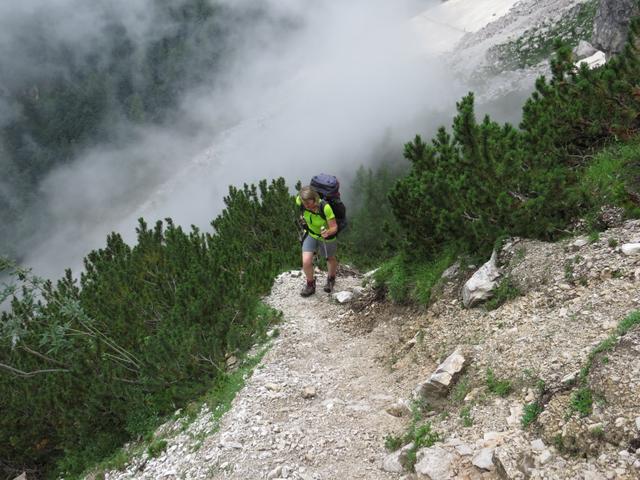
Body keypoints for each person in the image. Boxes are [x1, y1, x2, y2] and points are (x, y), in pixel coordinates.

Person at [296, 185, 339, 297]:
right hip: (311, 234)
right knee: (306, 261)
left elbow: (334, 227)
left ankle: (331, 278)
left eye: (309, 204)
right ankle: (310, 284)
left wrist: (328, 232)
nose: (307, 206)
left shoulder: (325, 208)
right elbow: (300, 197)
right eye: (304, 204)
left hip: (326, 237)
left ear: (315, 198)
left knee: (330, 258)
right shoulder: (301, 202)